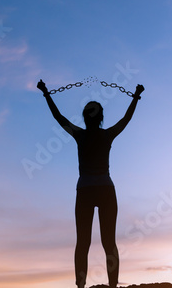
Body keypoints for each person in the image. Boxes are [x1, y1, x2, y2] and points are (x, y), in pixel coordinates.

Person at [37, 79, 144, 288]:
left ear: (85, 117)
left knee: (83, 243)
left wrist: (46, 93)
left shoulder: (80, 135)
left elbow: (59, 118)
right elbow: (126, 119)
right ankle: (113, 285)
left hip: (85, 190)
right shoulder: (106, 135)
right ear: (101, 117)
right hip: (105, 189)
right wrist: (136, 97)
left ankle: (80, 286)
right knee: (109, 242)